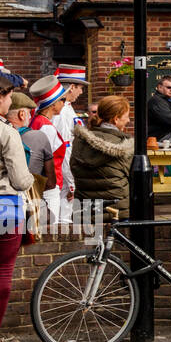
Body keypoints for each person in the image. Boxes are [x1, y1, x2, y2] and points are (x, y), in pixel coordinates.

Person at [0, 82, 34, 342]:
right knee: (2, 272)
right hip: (5, 207)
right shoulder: (7, 133)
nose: (10, 104)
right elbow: (21, 181)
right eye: (9, 98)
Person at [68, 95, 133, 214]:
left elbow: (73, 170)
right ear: (116, 119)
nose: (128, 120)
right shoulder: (124, 145)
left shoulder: (80, 142)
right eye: (127, 116)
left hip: (85, 211)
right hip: (116, 212)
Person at [29, 76, 72, 227]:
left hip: (43, 184)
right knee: (50, 229)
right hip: (49, 187)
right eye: (63, 100)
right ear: (53, 104)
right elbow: (48, 159)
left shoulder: (37, 121)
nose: (64, 103)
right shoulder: (46, 127)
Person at [54, 64, 87, 148]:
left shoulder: (67, 106)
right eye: (80, 88)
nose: (81, 92)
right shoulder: (61, 110)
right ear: (72, 87)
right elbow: (64, 144)